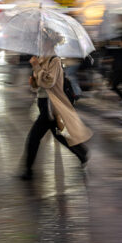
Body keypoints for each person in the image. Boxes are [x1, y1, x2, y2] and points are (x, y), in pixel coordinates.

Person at [21, 29, 91, 180]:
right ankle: (82, 153)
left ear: (48, 42)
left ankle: (28, 170)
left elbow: (49, 82)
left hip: (51, 105)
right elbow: (37, 85)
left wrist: (36, 68)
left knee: (34, 137)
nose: (38, 43)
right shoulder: (41, 58)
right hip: (42, 103)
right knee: (60, 135)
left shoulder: (55, 61)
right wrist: (33, 81)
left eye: (41, 40)